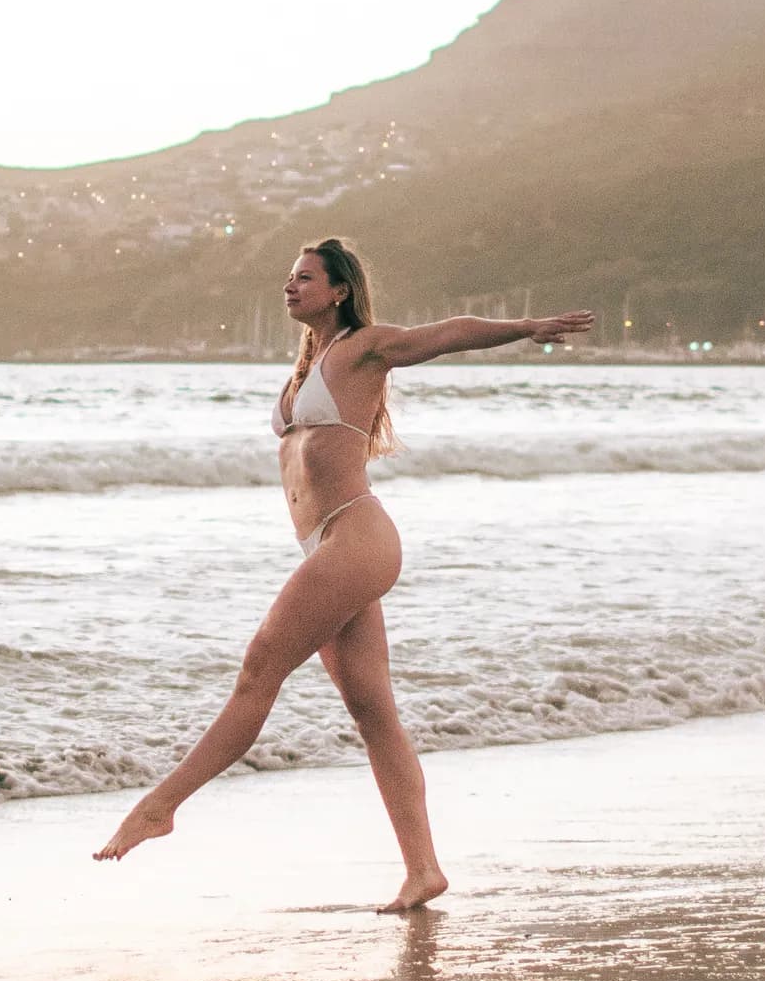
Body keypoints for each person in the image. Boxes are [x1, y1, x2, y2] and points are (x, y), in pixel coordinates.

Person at [94, 238, 592, 910]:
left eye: (304, 278)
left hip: (356, 536)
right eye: (288, 278)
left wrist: (525, 327)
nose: (290, 287)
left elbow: (444, 335)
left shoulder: (362, 348)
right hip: (329, 545)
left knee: (259, 668)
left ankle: (161, 805)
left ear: (339, 291)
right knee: (372, 710)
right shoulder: (306, 366)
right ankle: (423, 870)